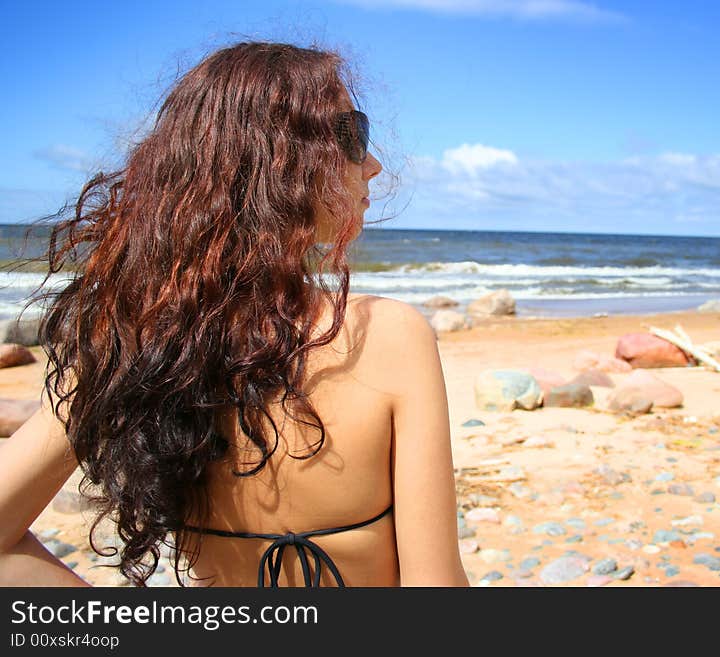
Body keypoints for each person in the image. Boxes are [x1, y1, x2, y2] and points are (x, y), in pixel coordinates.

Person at [0, 41, 469, 588]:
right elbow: (434, 586)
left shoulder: (137, 337)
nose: (373, 163)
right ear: (279, 161)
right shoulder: (388, 335)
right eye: (352, 134)